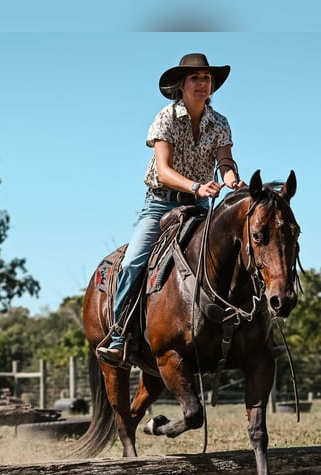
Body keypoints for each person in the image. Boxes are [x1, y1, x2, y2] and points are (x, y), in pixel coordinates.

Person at [97, 53, 245, 365]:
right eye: (195, 78)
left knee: (235, 255)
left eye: (206, 78)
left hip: (200, 206)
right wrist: (196, 186)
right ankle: (119, 333)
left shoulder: (219, 123)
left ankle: (237, 333)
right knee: (133, 261)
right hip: (161, 204)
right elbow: (163, 171)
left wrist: (232, 180)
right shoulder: (165, 118)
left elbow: (225, 161)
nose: (202, 83)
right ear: (181, 85)